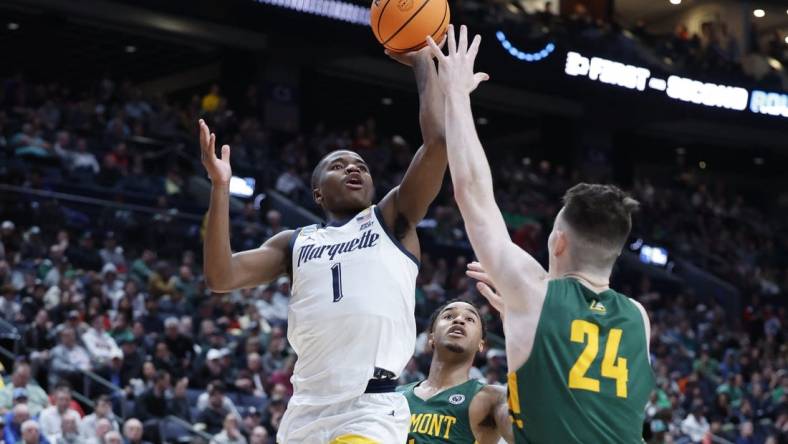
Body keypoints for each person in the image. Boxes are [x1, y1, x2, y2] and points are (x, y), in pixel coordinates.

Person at [199, 33, 448, 444]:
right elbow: (220, 277)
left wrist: (423, 62)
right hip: (307, 409)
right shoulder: (293, 242)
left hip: (370, 406)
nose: (354, 169)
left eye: (361, 166)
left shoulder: (391, 219)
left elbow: (437, 146)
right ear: (317, 192)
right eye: (339, 165)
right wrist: (220, 187)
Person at [427, 25, 655, 443]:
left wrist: (456, 94)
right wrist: (519, 312)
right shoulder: (639, 319)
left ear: (558, 241)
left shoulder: (534, 294)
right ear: (615, 251)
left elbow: (473, 195)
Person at [399, 300, 512, 443]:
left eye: (470, 319)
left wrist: (519, 341)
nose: (459, 320)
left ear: (480, 344)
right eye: (448, 316)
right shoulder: (396, 396)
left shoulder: (493, 398)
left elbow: (530, 435)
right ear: (431, 337)